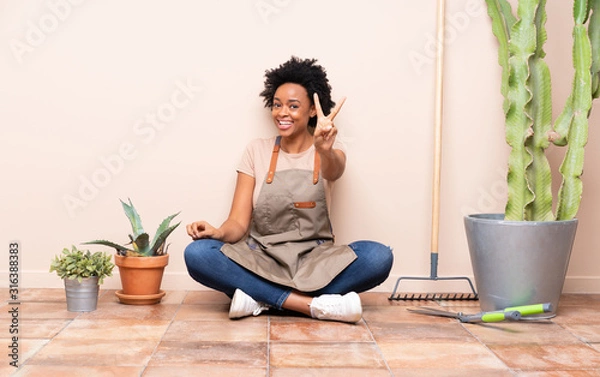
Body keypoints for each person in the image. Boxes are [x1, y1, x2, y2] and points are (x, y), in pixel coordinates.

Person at [184, 56, 393, 323]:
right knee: (198, 254)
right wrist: (217, 232)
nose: (282, 113)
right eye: (277, 105)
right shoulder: (256, 150)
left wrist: (324, 149)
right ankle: (310, 306)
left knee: (378, 257)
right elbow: (237, 223)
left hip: (315, 260)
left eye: (293, 106)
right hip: (262, 257)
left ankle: (260, 298)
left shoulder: (328, 152)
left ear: (312, 111)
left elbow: (335, 169)